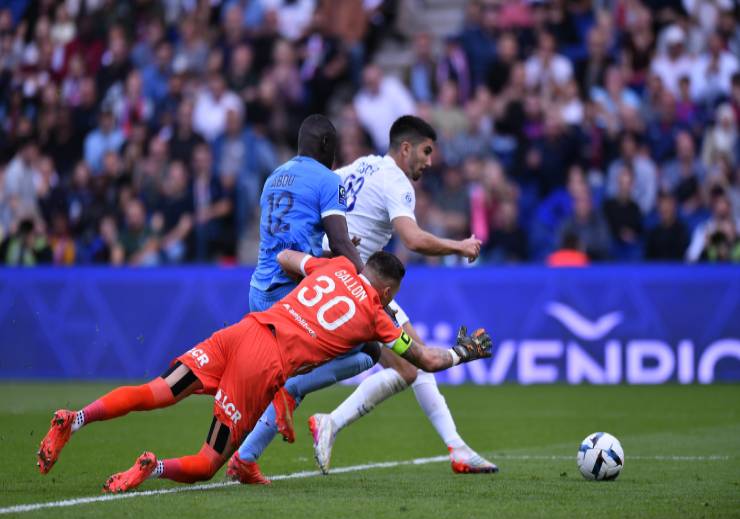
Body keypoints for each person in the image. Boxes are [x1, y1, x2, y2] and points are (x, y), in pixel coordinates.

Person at [36, 248, 491, 492]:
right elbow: (426, 360)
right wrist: (464, 352)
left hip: (241, 332)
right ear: (388, 288)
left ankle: (74, 419)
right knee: (206, 463)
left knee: (155, 389)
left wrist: (310, 273)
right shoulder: (379, 317)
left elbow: (287, 259)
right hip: (262, 365)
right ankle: (151, 469)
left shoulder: (333, 266)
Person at [233, 115, 493, 481]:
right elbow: (413, 238)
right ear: (406, 148)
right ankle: (319, 422)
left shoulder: (363, 166)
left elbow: (325, 197)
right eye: (426, 151)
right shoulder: (397, 183)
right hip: (351, 284)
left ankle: (455, 448)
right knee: (401, 359)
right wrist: (460, 245)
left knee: (406, 366)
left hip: (325, 274)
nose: (429, 161)